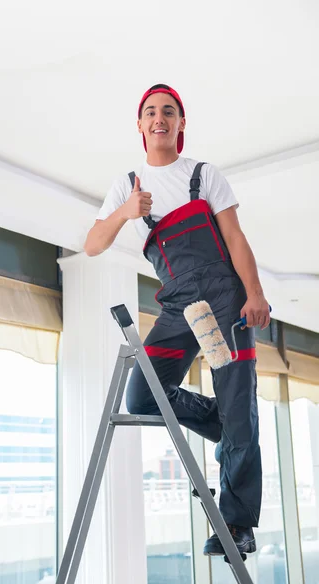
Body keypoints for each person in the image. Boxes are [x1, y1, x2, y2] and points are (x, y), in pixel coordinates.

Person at [84, 84, 270, 556]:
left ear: (181, 123)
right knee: (143, 395)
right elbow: (92, 244)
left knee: (238, 397)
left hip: (226, 302)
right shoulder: (129, 185)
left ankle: (238, 523)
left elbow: (235, 237)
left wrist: (256, 293)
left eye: (169, 111)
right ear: (141, 126)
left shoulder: (203, 175)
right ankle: (227, 427)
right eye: (150, 112)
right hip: (178, 306)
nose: (159, 117)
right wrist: (127, 212)